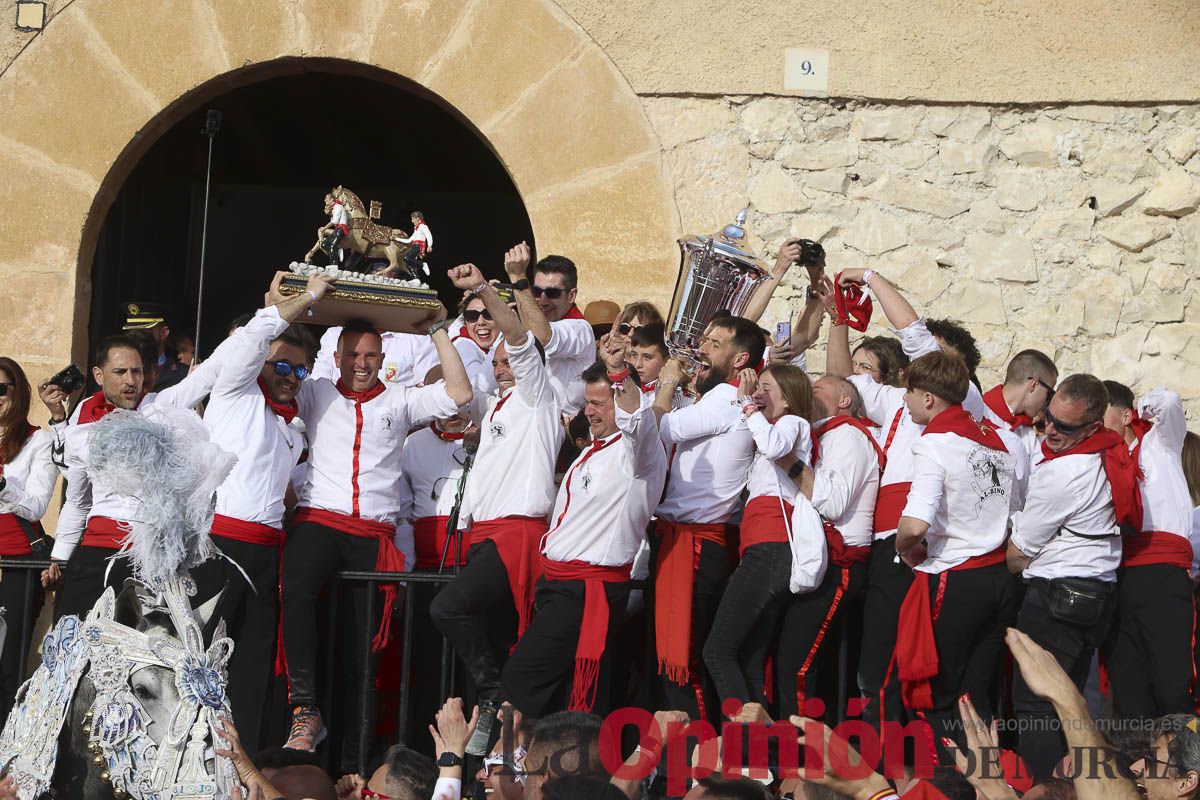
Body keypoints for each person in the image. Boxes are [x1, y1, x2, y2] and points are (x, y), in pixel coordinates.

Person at [281, 302, 471, 760]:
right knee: (296, 583)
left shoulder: (401, 398)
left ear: (380, 358)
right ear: (339, 357)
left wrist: (439, 331)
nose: (361, 365)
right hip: (321, 519)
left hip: (372, 532)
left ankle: (358, 765)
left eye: (369, 356)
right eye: (353, 356)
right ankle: (304, 708)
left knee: (365, 657)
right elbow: (270, 375)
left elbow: (460, 393)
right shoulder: (317, 392)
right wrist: (283, 307)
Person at [823, 267, 986, 740]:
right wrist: (838, 318)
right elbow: (840, 382)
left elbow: (913, 335)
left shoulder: (966, 403)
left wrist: (873, 278)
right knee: (874, 665)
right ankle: (880, 763)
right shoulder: (898, 400)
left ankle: (912, 767)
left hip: (921, 546)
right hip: (882, 545)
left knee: (910, 667)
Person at [186, 272, 335, 756]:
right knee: (199, 660)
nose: (290, 378)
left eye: (300, 371)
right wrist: (306, 296)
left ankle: (241, 765)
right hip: (218, 549)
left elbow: (290, 493)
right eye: (281, 367)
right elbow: (252, 339)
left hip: (268, 554)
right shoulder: (236, 393)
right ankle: (187, 759)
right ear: (259, 365)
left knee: (252, 666)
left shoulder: (293, 430)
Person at [431, 257, 565, 754]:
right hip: (485, 533)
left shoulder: (538, 395)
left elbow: (522, 339)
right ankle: (504, 754)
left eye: (510, 357)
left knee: (448, 607)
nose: (503, 362)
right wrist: (437, 331)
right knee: (503, 638)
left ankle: (492, 698)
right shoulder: (499, 406)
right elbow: (459, 395)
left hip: (515, 534)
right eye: (499, 360)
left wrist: (486, 289)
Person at [501, 342, 666, 717]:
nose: (588, 412)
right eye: (587, 402)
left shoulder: (639, 454)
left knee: (520, 678)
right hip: (559, 584)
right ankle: (550, 769)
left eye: (599, 404)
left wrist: (622, 375)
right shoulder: (591, 452)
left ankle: (502, 759)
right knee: (567, 693)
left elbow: (639, 423)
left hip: (586, 589)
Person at [894, 351, 1028, 759]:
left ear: (930, 398)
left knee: (938, 691)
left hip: (956, 574)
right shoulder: (1002, 442)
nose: (905, 401)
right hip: (999, 578)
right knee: (976, 694)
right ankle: (984, 782)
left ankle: (946, 783)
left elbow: (916, 522)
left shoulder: (936, 441)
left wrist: (905, 550)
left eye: (910, 393)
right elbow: (1016, 510)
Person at [1006, 374, 1140, 779]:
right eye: (1048, 418)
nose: (1049, 430)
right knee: (1071, 706)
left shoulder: (1062, 472)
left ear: (1093, 427)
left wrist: (1018, 538)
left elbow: (1018, 555)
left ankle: (1047, 789)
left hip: (1055, 599)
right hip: (1098, 597)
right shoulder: (1110, 455)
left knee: (1035, 706)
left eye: (1063, 427)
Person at [651, 314, 763, 722]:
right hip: (689, 539)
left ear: (740, 359)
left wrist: (666, 381)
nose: (703, 348)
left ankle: (700, 761)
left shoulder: (727, 398)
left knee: (684, 658)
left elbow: (658, 428)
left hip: (694, 545)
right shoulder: (717, 398)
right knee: (679, 657)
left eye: (715, 343)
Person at [702, 364, 816, 719]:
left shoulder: (792, 424)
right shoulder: (776, 424)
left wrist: (748, 407)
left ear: (788, 399)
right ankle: (759, 760)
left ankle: (744, 749)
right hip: (765, 549)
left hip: (770, 550)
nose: (757, 393)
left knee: (717, 652)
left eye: (766, 387)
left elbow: (773, 445)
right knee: (748, 658)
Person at [777, 375, 883, 721]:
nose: (808, 391)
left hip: (839, 565)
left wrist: (787, 461)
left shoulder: (848, 436)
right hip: (821, 562)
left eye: (818, 387)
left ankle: (806, 761)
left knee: (797, 663)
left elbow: (834, 502)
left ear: (843, 402)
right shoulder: (823, 437)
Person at [1101, 381, 1196, 721]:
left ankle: (1188, 766)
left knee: (1172, 684)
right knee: (1129, 689)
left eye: (1103, 412)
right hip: (1118, 570)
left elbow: (1169, 400)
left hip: (1162, 570)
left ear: (1126, 415)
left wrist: (1141, 410)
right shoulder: (1100, 459)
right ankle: (1141, 770)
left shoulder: (1160, 442)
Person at [41, 335, 145, 619]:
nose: (130, 380)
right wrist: (60, 558)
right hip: (97, 551)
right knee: (73, 645)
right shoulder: (85, 412)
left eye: (137, 371)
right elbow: (76, 491)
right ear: (99, 375)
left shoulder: (159, 411)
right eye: (120, 371)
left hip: (148, 557)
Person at [0, 357, 57, 728]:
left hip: (17, 560)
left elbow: (36, 504)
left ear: (16, 392)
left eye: (1, 389)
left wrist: (2, 484)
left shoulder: (40, 440)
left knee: (8, 662)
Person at [503, 246, 595, 416]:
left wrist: (518, 277)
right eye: (536, 292)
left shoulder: (580, 329)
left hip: (564, 433)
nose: (543, 301)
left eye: (552, 293)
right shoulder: (526, 321)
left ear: (571, 295)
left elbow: (541, 337)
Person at [981, 349, 1059, 460]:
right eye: (1049, 393)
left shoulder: (1027, 436)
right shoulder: (976, 413)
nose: (1047, 402)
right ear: (1034, 385)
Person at [313, 326, 439, 389]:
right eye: (352, 355)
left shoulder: (416, 337)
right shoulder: (333, 335)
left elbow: (431, 392)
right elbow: (317, 386)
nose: (362, 364)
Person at [121, 300, 187, 390]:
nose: (136, 338)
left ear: (164, 333)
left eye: (143, 332)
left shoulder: (184, 376)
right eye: (132, 333)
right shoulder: (116, 372)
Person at [394, 211, 433, 278]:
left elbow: (428, 235)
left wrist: (429, 245)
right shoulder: (416, 229)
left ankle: (423, 265)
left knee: (406, 258)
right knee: (407, 261)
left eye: (413, 219)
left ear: (418, 218)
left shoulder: (422, 226)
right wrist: (396, 239)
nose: (412, 221)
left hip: (419, 246)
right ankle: (416, 278)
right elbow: (409, 240)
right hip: (414, 246)